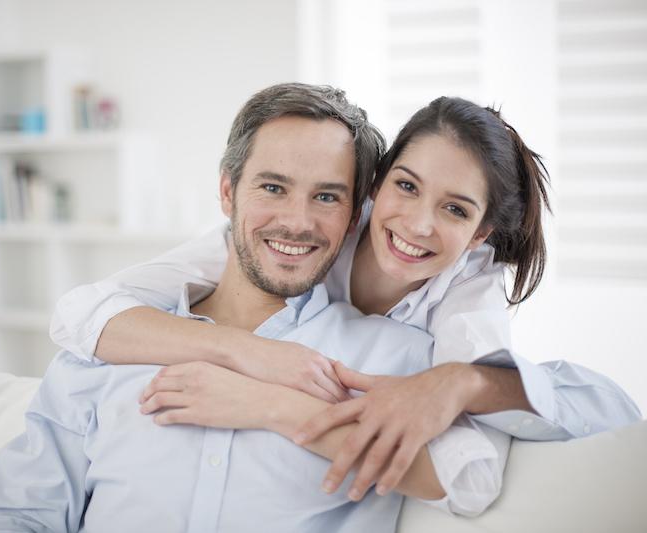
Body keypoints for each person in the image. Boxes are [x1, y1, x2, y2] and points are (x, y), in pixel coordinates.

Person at [0, 83, 538, 532]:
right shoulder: (109, 348)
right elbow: (15, 513)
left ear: (355, 209)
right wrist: (249, 354)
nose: (296, 221)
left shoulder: (401, 362)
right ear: (227, 192)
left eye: (327, 197)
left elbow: (469, 476)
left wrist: (275, 406)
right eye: (271, 187)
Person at [49, 93, 641, 501]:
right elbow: (81, 313)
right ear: (373, 188)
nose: (418, 225)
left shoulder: (467, 291)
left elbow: (494, 466)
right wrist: (247, 353)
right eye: (406, 187)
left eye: (456, 209)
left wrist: (466, 381)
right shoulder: (302, 228)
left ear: (481, 234)